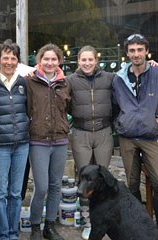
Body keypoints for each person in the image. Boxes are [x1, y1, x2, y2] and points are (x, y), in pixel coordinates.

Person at [66, 45, 114, 240]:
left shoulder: (110, 78)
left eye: (90, 60)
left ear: (97, 60)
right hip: (80, 132)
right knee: (84, 178)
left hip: (103, 131)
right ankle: (87, 221)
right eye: (83, 60)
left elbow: (131, 75)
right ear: (78, 61)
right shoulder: (70, 80)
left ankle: (102, 218)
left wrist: (153, 65)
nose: (87, 63)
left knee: (101, 178)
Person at [0, 39, 29, 240]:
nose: (9, 61)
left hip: (22, 144)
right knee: (0, 193)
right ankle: (2, 235)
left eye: (13, 58)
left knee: (16, 193)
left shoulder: (23, 82)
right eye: (6, 57)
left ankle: (13, 232)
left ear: (17, 61)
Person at [26, 43, 71, 240]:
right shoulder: (30, 81)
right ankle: (35, 225)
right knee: (41, 186)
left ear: (59, 61)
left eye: (53, 59)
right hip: (38, 140)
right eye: (46, 59)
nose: (50, 62)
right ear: (40, 61)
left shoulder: (65, 83)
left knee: (55, 186)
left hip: (60, 140)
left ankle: (49, 226)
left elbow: (70, 108)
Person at [112, 33, 158, 225]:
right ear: (127, 53)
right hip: (127, 137)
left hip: (151, 136)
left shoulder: (156, 72)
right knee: (131, 184)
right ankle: (139, 224)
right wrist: (120, 123)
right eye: (132, 50)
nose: (136, 54)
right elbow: (114, 105)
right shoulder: (118, 78)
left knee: (157, 180)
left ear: (147, 51)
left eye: (140, 50)